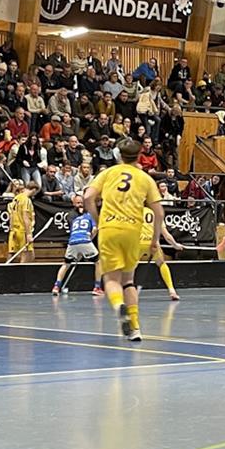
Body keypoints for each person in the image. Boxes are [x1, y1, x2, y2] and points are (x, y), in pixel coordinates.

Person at [84, 139, 178, 341]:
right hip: (132, 232)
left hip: (109, 228)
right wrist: (154, 239)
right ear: (139, 156)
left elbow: (87, 197)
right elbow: (159, 212)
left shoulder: (108, 173)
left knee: (110, 279)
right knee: (128, 281)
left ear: (119, 155)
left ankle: (119, 307)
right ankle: (135, 329)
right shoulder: (145, 179)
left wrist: (97, 219)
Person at [52, 195, 98, 296]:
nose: (80, 205)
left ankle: (56, 286)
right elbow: (94, 230)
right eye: (78, 203)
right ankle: (97, 287)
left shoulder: (76, 219)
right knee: (99, 263)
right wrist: (89, 240)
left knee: (66, 264)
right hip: (85, 240)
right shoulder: (89, 216)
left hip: (72, 242)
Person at [6, 180, 35, 260]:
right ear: (33, 190)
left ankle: (5, 270)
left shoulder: (15, 199)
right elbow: (25, 217)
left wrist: (11, 228)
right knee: (26, 255)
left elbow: (11, 216)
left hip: (14, 230)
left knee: (12, 253)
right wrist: (28, 234)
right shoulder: (26, 200)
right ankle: (23, 272)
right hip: (23, 231)